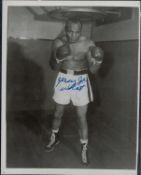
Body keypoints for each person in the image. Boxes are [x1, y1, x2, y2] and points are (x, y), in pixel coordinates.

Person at [47, 18, 104, 166]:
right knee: (57, 113)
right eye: (71, 32)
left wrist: (98, 61)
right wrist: (58, 58)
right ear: (66, 30)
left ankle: (84, 148)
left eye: (77, 32)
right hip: (64, 78)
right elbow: (52, 66)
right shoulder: (58, 42)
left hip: (80, 80)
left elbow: (93, 70)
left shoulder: (89, 44)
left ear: (81, 30)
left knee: (81, 117)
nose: (74, 35)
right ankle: (54, 137)